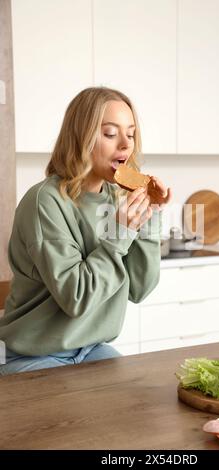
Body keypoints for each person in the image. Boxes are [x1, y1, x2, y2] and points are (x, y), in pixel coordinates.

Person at [0, 87, 171, 375]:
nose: (125, 144)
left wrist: (148, 218)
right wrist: (119, 235)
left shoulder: (115, 199)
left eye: (130, 134)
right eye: (109, 133)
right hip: (32, 354)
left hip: (92, 348)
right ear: (81, 137)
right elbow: (76, 298)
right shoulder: (45, 201)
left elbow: (140, 288)